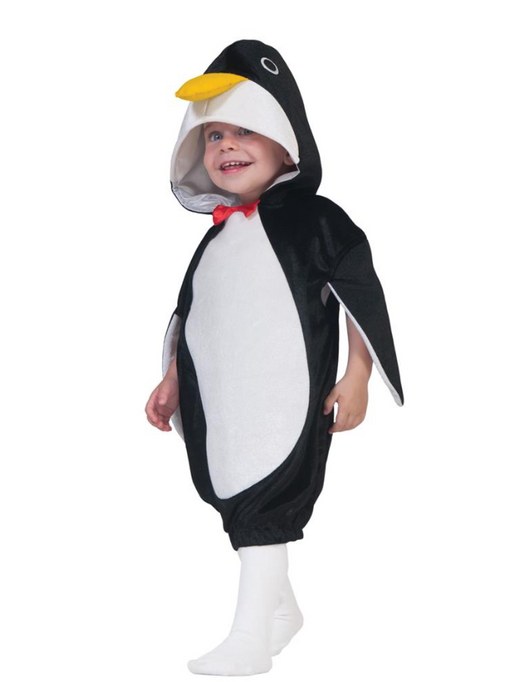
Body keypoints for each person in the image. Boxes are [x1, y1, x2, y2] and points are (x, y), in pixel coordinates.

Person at [145, 39, 404, 676]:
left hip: (284, 401)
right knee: (237, 498)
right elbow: (193, 316)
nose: (226, 146)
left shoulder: (316, 222)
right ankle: (283, 613)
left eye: (245, 130)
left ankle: (250, 638)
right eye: (213, 136)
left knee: (267, 501)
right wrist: (172, 380)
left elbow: (358, 292)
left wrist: (358, 376)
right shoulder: (216, 240)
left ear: (287, 143)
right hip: (226, 408)